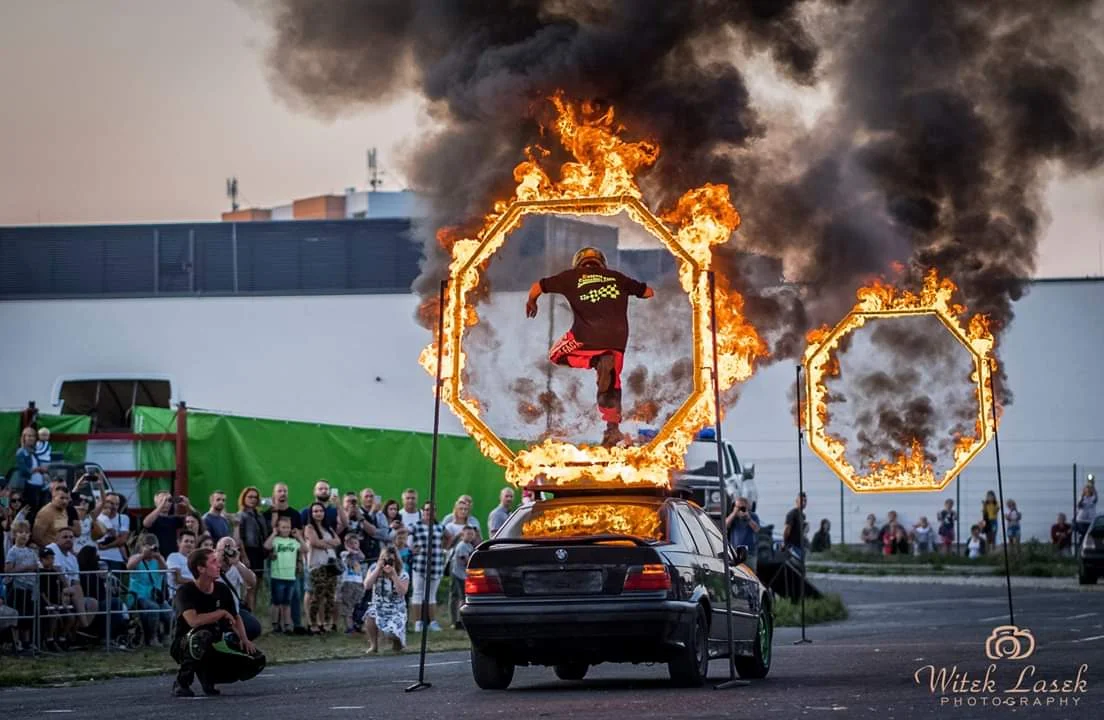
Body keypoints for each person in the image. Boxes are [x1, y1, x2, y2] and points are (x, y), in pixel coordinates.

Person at [526, 246, 655, 447]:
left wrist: (532, 301)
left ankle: (594, 360)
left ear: (579, 262)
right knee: (612, 383)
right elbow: (648, 292)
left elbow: (537, 286)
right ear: (601, 262)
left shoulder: (570, 277)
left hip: (585, 336)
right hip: (617, 341)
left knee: (556, 355)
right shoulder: (617, 277)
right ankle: (612, 429)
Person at [171, 548, 261, 697]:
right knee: (200, 637)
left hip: (215, 641)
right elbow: (193, 621)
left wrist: (243, 639)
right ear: (200, 568)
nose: (218, 564)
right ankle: (182, 682)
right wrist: (220, 613)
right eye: (213, 561)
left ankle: (209, 677)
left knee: (256, 659)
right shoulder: (185, 591)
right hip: (185, 643)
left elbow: (235, 617)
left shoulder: (222, 589)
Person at [362, 545, 410, 653]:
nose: (388, 563)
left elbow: (402, 592)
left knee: (391, 633)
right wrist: (378, 569)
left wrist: (393, 575)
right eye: (385, 559)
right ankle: (374, 646)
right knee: (370, 616)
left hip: (396, 608)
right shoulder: (374, 568)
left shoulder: (403, 573)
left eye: (391, 560)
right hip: (378, 605)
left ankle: (398, 643)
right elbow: (367, 586)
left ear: (396, 560)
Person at [264, 515, 301, 634]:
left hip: (290, 577)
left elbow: (305, 549)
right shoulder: (276, 540)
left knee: (287, 603)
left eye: (288, 527)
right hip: (277, 576)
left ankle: (287, 625)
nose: (286, 530)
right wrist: (274, 534)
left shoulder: (293, 542)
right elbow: (266, 546)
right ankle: (275, 625)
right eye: (283, 527)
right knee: (276, 602)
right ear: (278, 528)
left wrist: (299, 536)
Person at [448, 526, 477, 629]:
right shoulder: (462, 546)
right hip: (458, 574)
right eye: (468, 534)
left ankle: (459, 620)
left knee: (462, 598)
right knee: (460, 597)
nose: (470, 536)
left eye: (472, 534)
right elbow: (466, 561)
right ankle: (457, 620)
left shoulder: (469, 545)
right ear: (462, 535)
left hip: (463, 575)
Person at [725, 496, 760, 572]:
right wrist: (734, 513)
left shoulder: (753, 516)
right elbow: (725, 525)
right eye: (738, 507)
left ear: (747, 506)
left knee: (751, 573)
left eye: (742, 507)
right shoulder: (733, 517)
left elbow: (756, 529)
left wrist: (748, 518)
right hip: (735, 553)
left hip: (750, 553)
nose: (741, 509)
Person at [782, 493, 808, 560]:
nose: (804, 503)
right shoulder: (792, 514)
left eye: (805, 501)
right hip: (792, 546)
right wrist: (784, 543)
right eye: (802, 500)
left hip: (800, 546)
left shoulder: (803, 515)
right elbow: (787, 529)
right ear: (797, 501)